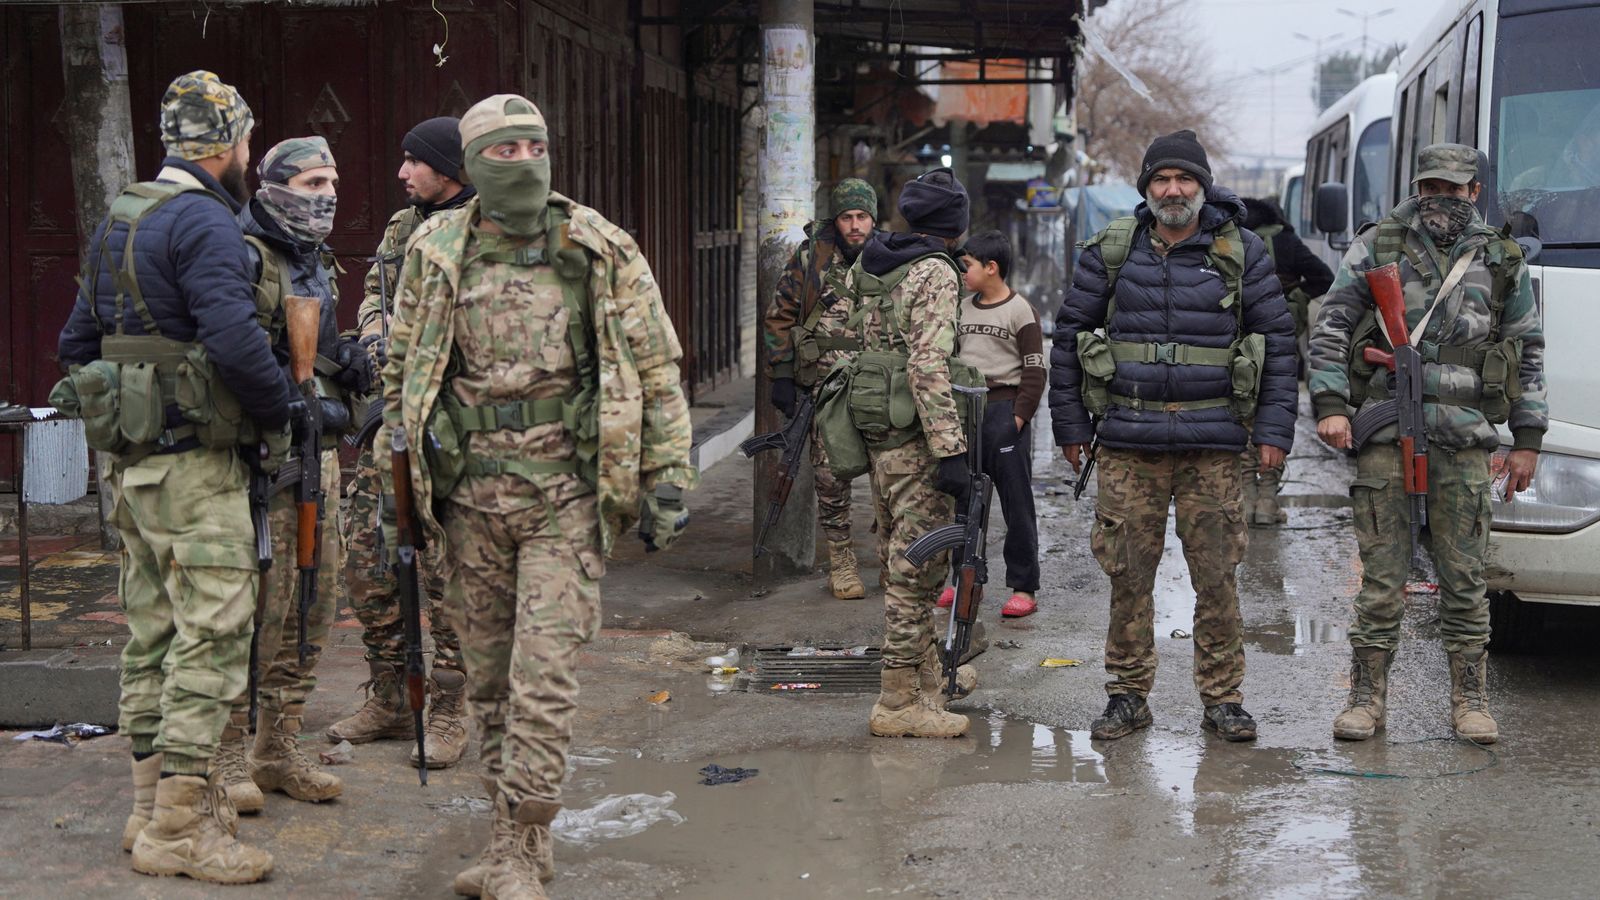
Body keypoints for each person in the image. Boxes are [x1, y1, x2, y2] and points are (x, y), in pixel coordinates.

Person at [381, 94, 696, 898]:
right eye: (504, 149)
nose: (522, 161)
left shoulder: (598, 245)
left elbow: (657, 369)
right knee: (486, 683)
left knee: (542, 679)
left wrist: (668, 477)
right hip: (469, 503)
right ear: (474, 162)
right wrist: (401, 483)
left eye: (534, 146)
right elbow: (405, 368)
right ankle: (504, 839)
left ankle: (524, 848)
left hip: (567, 498)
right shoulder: (437, 247)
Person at [54, 70, 286, 884]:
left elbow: (76, 343)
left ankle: (145, 811)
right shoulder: (206, 223)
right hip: (195, 470)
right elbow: (232, 339)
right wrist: (286, 409)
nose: (250, 160)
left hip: (130, 473)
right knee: (213, 638)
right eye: (248, 143)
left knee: (150, 636)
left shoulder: (120, 219)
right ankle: (181, 834)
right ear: (222, 147)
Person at [1049, 130, 1298, 743]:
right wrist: (1072, 426)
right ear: (1147, 188)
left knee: (1216, 576)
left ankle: (1223, 699)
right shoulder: (1111, 249)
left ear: (1203, 186)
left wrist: (1273, 430)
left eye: (1184, 179)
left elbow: (1280, 345)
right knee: (1128, 575)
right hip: (1128, 444)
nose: (1173, 189)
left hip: (1213, 445)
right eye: (1161, 179)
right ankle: (1128, 696)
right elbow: (1067, 338)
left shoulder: (1241, 252)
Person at [1309, 143, 1547, 746]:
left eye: (1455, 188)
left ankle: (1470, 700)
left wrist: (1528, 438)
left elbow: (1529, 350)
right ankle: (1366, 698)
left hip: (1466, 437)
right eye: (1431, 186)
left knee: (1464, 576)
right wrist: (1333, 405)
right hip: (1387, 434)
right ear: (1419, 186)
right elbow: (1332, 324)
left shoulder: (1500, 256)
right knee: (1383, 576)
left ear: (1475, 192)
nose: (1441, 198)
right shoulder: (1379, 244)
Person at [209, 136, 366, 813]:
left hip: (318, 457)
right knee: (251, 614)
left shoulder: (315, 261)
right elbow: (228, 349)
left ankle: (278, 748)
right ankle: (225, 754)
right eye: (310, 183)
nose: (326, 195)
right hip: (260, 463)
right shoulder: (242, 255)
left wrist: (348, 362)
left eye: (331, 181)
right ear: (271, 186)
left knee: (313, 605)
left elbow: (317, 353)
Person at [332, 116, 475, 769]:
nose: (402, 172)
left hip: (451, 425)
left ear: (448, 168)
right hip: (388, 415)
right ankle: (391, 696)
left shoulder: (488, 228)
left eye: (414, 161)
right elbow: (374, 298)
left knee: (446, 577)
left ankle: (448, 707)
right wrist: (372, 343)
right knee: (367, 561)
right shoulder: (401, 226)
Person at [845, 167, 978, 739]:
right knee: (915, 568)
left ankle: (925, 676)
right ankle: (897, 702)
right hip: (916, 435)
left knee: (897, 552)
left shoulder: (874, 261)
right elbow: (927, 364)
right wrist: (951, 449)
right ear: (954, 225)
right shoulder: (934, 273)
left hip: (879, 427)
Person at [762, 177, 883, 598]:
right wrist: (781, 374)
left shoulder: (891, 257)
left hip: (879, 387)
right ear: (837, 219)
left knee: (887, 475)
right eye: (847, 217)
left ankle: (890, 554)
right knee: (831, 478)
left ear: (873, 218)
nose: (855, 225)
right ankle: (842, 559)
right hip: (826, 389)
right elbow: (780, 315)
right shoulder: (812, 256)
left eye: (862, 217)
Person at [941, 229, 1044, 618]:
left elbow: (1035, 372)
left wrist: (1017, 419)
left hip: (1005, 413)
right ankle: (963, 582)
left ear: (991, 267)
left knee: (1016, 504)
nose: (962, 273)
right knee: (965, 504)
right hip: (967, 412)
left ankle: (1024, 587)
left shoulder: (1021, 311)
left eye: (966, 266)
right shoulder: (962, 309)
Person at [1239, 196, 1335, 526]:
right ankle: (1267, 501)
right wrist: (1295, 293)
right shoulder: (1287, 240)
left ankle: (1246, 497)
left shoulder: (1230, 239)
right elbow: (1325, 277)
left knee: (1242, 421)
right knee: (1274, 419)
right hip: (1280, 345)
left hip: (1236, 349)